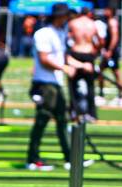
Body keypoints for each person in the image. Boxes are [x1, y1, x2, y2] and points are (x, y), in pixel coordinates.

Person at [25, 3, 93, 172]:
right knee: (42, 120)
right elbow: (44, 59)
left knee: (62, 120)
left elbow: (63, 57)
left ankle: (70, 158)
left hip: (55, 83)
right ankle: (32, 159)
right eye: (65, 16)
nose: (68, 19)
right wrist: (65, 68)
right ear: (58, 17)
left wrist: (82, 65)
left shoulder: (60, 33)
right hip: (44, 83)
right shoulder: (43, 34)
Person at [67, 7, 100, 123]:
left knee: (72, 84)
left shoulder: (73, 23)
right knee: (90, 86)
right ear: (89, 13)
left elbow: (68, 38)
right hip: (88, 54)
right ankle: (92, 114)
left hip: (76, 52)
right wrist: (95, 52)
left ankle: (73, 111)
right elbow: (99, 41)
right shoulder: (93, 24)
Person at [97, 6, 122, 107]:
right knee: (100, 71)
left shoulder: (112, 22)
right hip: (108, 52)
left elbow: (115, 37)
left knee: (116, 74)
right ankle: (101, 95)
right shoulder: (108, 21)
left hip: (111, 53)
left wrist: (109, 51)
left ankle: (121, 97)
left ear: (111, 11)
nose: (105, 11)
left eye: (107, 10)